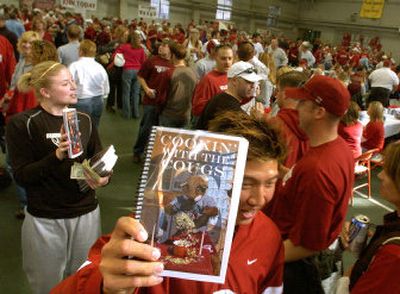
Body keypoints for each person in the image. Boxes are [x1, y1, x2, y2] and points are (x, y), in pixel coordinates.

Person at [51, 111, 287, 294]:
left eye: (270, 183)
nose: (258, 199)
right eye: (245, 184)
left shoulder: (268, 237)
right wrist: (104, 285)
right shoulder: (145, 230)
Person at [6, 61, 111, 294]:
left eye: (72, 81)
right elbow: (22, 176)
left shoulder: (83, 119)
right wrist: (56, 155)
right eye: (65, 83)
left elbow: (98, 158)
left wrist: (104, 177)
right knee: (47, 285)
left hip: (86, 213)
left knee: (84, 279)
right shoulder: (23, 124)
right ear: (45, 91)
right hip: (46, 218)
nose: (74, 86)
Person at [269, 75, 354, 293]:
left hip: (297, 267)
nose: (296, 108)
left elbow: (307, 244)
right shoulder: (339, 147)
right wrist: (280, 172)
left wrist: (259, 255)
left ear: (319, 112)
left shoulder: (316, 169)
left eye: (302, 103)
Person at [336, 141, 400, 293]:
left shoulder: (394, 254)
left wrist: (346, 279)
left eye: (388, 172)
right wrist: (371, 251)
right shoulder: (394, 223)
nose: (380, 175)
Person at [133, 39, 173, 163]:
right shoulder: (151, 61)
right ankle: (138, 151)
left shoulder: (174, 64)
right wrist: (146, 89)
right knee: (146, 128)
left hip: (166, 103)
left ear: (171, 49)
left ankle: (153, 153)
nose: (161, 47)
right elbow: (140, 76)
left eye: (165, 46)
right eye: (160, 45)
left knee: (161, 130)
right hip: (151, 102)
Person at [196, 61, 262, 130]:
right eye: (249, 82)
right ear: (234, 81)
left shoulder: (221, 99)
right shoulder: (230, 109)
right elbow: (253, 136)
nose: (253, 86)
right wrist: (258, 121)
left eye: (254, 83)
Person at [69, 39, 110, 128]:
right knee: (94, 127)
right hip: (98, 100)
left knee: (80, 128)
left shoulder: (74, 66)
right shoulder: (100, 67)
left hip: (81, 100)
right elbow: (106, 87)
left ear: (81, 51)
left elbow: (69, 83)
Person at [159, 42, 197, 128]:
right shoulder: (192, 72)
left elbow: (162, 96)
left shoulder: (168, 73)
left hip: (169, 115)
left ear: (173, 55)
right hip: (185, 115)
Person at [191, 44, 233, 123]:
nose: (227, 62)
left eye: (230, 58)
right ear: (215, 58)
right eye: (223, 58)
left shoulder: (232, 77)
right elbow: (197, 110)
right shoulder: (208, 80)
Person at [114, 31, 146, 119]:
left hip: (127, 70)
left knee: (126, 93)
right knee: (136, 93)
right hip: (138, 71)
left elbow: (116, 56)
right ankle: (136, 113)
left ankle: (126, 114)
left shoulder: (124, 47)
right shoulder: (141, 48)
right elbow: (143, 61)